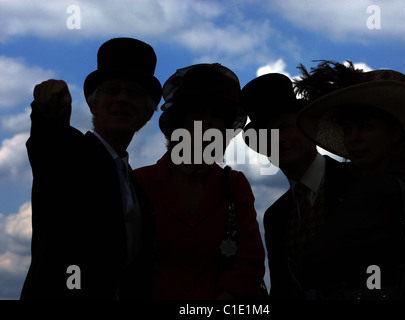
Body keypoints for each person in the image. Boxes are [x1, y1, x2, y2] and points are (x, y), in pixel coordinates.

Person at [21, 37, 162, 299]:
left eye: (133, 93)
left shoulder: (139, 191)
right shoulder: (67, 154)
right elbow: (48, 140)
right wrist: (49, 110)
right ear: (92, 104)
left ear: (148, 112)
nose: (122, 99)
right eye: (112, 90)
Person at [294, 60, 405, 299]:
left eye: (366, 127)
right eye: (347, 129)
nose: (354, 138)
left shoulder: (375, 189)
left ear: (394, 133)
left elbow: (311, 265)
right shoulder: (403, 188)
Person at [134, 63, 265, 300]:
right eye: (197, 112)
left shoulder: (236, 185)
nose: (207, 122)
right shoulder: (140, 182)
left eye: (216, 115)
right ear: (178, 122)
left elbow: (251, 261)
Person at [239, 73, 352, 299]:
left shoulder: (358, 182)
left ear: (309, 129)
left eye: (284, 127)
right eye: (267, 135)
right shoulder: (275, 216)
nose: (278, 140)